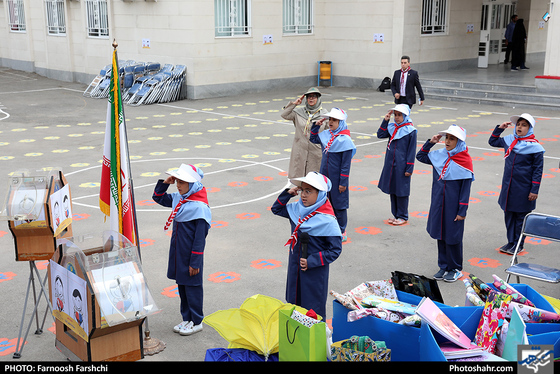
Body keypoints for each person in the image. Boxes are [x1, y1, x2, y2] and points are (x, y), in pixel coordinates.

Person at [271, 171, 342, 319]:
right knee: (294, 303)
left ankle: (315, 340)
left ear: (321, 194)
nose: (303, 195)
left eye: (309, 191)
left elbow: (335, 249)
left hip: (314, 273)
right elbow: (276, 209)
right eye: (302, 190)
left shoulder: (327, 220)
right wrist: (288, 193)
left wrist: (312, 261)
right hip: (295, 267)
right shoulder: (296, 209)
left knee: (312, 309)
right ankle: (296, 338)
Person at [152, 163, 212, 336]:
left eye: (182, 182)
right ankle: (187, 318)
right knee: (182, 287)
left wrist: (195, 261)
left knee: (193, 287)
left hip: (191, 256)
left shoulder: (199, 207)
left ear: (192, 185)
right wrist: (165, 183)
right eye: (177, 181)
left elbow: (200, 239)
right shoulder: (180, 198)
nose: (178, 185)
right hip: (178, 252)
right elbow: (158, 198)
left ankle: (197, 320)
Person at [416, 125, 474, 283]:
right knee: (440, 234)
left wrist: (462, 210)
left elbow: (465, 189)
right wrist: (431, 143)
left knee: (453, 236)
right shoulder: (439, 155)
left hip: (453, 205)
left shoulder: (465, 161)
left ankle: (455, 268)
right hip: (438, 202)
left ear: (459, 141)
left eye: (452, 138)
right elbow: (420, 157)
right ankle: (443, 265)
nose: (447, 141)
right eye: (447, 137)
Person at [488, 113, 545, 254]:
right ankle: (511, 242)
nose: (519, 127)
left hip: (524, 188)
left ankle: (519, 244)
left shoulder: (535, 148)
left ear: (530, 128)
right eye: (518, 124)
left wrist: (534, 190)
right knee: (509, 216)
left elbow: (538, 171)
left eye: (524, 125)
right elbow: (493, 142)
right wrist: (499, 129)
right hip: (509, 187)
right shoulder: (509, 140)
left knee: (520, 218)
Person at [309, 108, 356, 240]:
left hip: (337, 179)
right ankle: (329, 227)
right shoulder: (326, 135)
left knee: (339, 204)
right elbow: (313, 139)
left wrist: (343, 182)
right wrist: (315, 126)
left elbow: (346, 165)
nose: (331, 122)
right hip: (325, 176)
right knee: (325, 202)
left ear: (340, 122)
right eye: (330, 119)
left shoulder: (345, 140)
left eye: (334, 120)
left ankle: (341, 230)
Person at [377, 104, 417, 225]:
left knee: (402, 190)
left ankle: (403, 216)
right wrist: (386, 120)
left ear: (405, 116)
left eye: (400, 115)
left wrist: (409, 167)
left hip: (402, 165)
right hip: (390, 164)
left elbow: (411, 150)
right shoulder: (392, 127)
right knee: (392, 188)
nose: (397, 117)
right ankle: (396, 214)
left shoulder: (411, 130)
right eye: (396, 115)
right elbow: (380, 134)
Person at [281, 87, 328, 179]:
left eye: (314, 96)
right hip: (300, 150)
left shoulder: (324, 115)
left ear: (318, 98)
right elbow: (284, 115)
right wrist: (294, 104)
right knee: (299, 179)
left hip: (316, 152)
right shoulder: (299, 112)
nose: (311, 98)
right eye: (309, 96)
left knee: (314, 181)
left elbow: (328, 133)